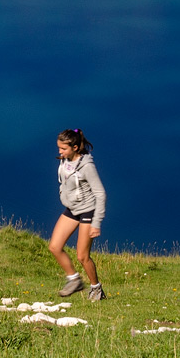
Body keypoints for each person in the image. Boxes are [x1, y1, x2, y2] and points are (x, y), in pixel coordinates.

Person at [49, 127, 106, 301]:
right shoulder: (64, 160)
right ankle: (74, 280)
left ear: (75, 147)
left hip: (88, 210)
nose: (60, 151)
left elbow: (100, 194)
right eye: (59, 148)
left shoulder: (87, 166)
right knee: (54, 247)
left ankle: (96, 289)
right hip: (72, 208)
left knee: (82, 256)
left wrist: (96, 222)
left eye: (63, 148)